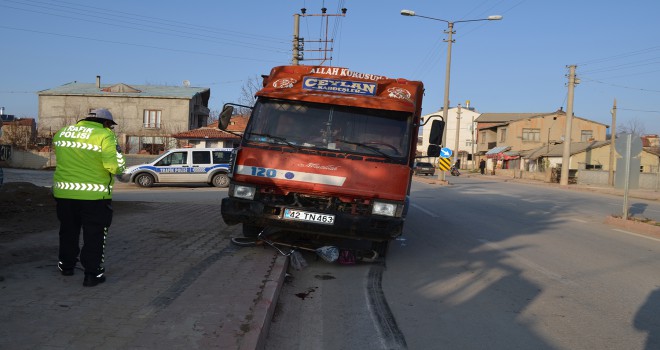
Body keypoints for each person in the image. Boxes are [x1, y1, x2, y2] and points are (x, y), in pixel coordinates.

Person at [53, 108, 126, 287]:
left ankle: (66, 266)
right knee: (95, 235)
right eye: (111, 126)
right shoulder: (104, 136)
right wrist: (119, 157)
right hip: (94, 196)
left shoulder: (62, 132)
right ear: (106, 123)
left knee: (68, 231)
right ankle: (93, 274)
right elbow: (115, 167)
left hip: (64, 193)